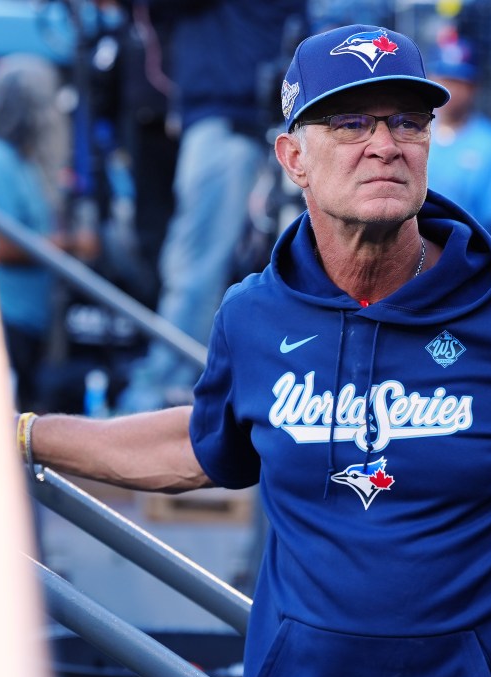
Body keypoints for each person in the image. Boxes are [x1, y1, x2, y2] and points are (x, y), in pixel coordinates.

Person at [0, 24, 491, 677]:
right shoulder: (254, 314)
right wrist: (17, 430)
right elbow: (199, 445)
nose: (385, 145)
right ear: (292, 157)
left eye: (406, 121)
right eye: (351, 123)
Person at [114, 0, 308, 414]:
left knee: (194, 265)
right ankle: (191, 384)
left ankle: (158, 392)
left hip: (230, 124)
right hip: (233, 122)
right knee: (203, 264)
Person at [0, 54, 98, 413]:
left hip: (30, 318)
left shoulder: (22, 161)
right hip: (4, 317)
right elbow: (1, 246)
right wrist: (73, 245)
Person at [426, 34, 491, 247]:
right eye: (445, 79)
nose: (451, 89)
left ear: (474, 87)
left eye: (459, 82)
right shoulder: (411, 133)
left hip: (470, 258)